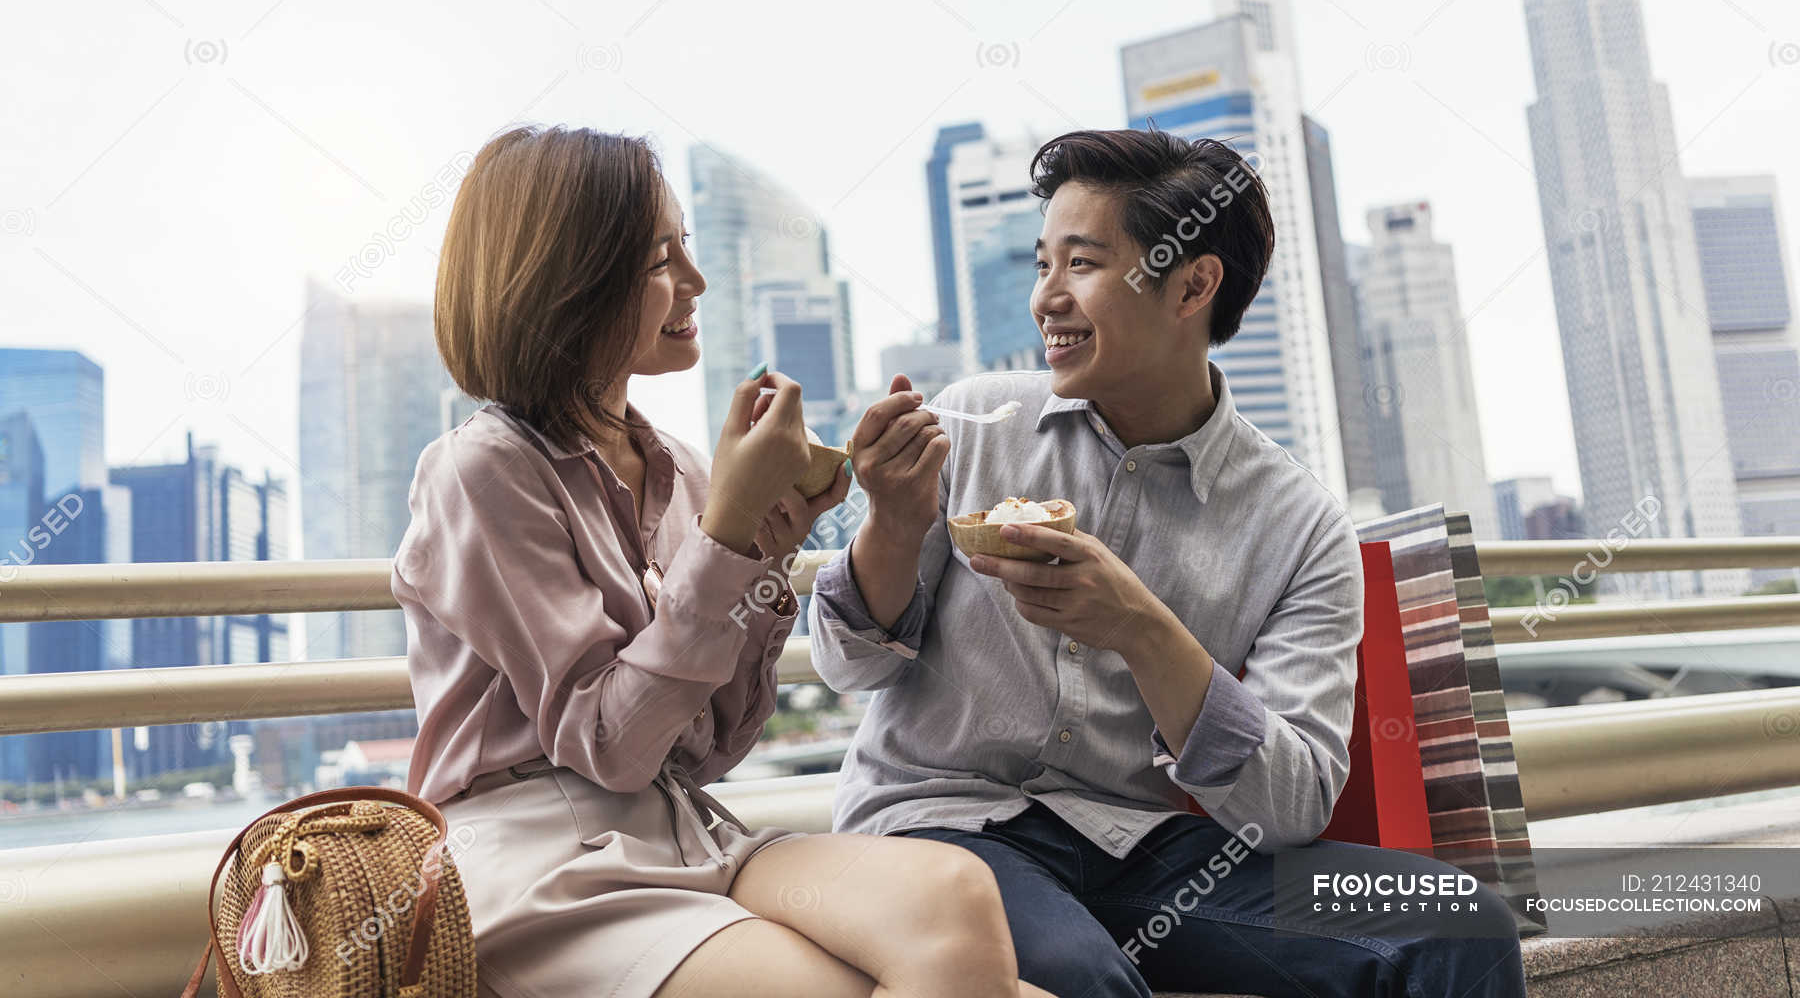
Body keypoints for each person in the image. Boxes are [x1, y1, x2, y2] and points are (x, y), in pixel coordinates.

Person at [810, 128, 1527, 997]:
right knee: (1083, 979)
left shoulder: (1298, 527)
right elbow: (845, 666)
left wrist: (1143, 629)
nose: (1047, 299)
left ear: (1192, 284)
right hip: (944, 830)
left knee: (1461, 921)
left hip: (1144, 849)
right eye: (1044, 266)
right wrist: (889, 519)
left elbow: (1293, 806)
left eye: (1082, 265)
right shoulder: (970, 425)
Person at [393, 125, 1056, 998]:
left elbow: (704, 753)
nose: (693, 282)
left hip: (688, 834)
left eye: (686, 247)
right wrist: (732, 533)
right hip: (540, 863)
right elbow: (608, 747)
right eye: (658, 257)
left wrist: (767, 546)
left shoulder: (684, 468)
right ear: (570, 278)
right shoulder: (482, 471)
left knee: (955, 892)